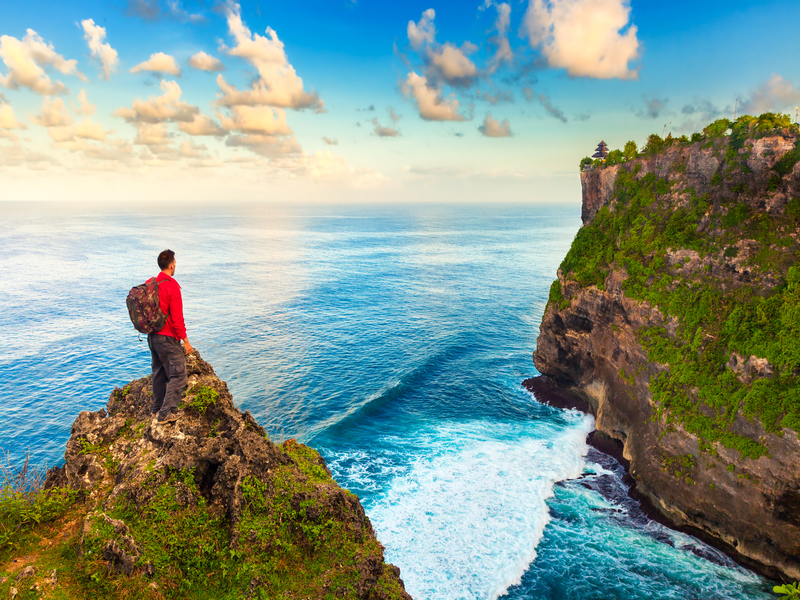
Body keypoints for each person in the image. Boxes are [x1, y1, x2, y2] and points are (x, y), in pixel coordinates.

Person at [148, 249, 194, 424]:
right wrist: (186, 341)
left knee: (158, 372)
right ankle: (165, 414)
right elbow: (176, 319)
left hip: (153, 337)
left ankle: (156, 409)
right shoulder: (172, 286)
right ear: (172, 265)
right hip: (167, 338)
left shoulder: (151, 283)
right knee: (179, 375)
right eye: (175, 262)